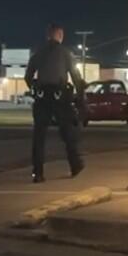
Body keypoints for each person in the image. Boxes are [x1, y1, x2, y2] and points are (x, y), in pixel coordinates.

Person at [24, 23, 84, 183]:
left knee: (39, 136)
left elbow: (28, 76)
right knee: (68, 133)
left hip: (42, 98)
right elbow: (76, 77)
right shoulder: (66, 54)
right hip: (60, 97)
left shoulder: (38, 53)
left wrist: (35, 88)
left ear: (47, 36)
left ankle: (38, 173)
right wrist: (81, 96)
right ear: (59, 35)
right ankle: (75, 165)